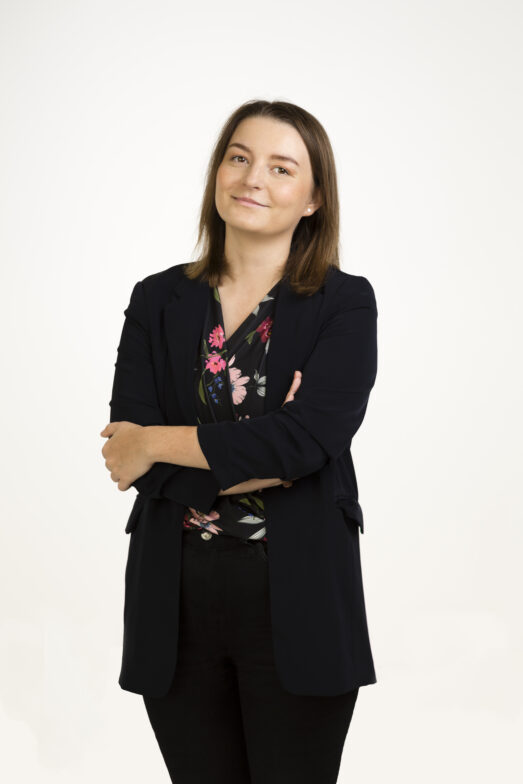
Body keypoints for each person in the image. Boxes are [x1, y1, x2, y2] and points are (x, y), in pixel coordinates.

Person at [101, 99, 378, 784]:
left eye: (281, 168)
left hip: (298, 593)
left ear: (313, 199)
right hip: (175, 596)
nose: (253, 178)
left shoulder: (344, 303)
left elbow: (306, 442)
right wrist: (267, 449)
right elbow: (126, 453)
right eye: (239, 157)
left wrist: (162, 443)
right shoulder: (157, 298)